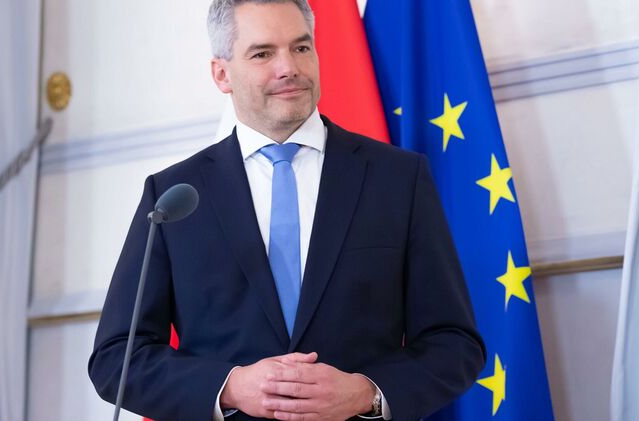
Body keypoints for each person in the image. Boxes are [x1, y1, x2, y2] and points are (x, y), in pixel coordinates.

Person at [88, 1, 485, 420]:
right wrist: (229, 388)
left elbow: (455, 343)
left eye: (301, 48)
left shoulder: (398, 178)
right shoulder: (174, 195)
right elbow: (117, 357)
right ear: (222, 74)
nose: (289, 68)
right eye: (263, 53)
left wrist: (367, 393)